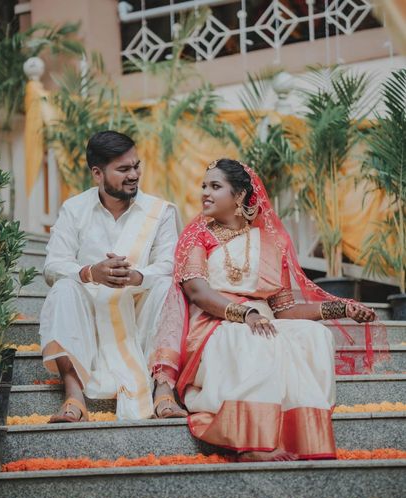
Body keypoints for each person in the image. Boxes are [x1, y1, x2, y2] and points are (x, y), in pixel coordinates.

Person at [151, 159, 379, 462]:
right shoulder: (197, 235)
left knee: (312, 336)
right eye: (204, 186)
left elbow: (284, 309)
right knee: (253, 339)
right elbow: (197, 292)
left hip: (264, 320)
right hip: (215, 324)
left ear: (240, 195)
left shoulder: (272, 242)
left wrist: (342, 308)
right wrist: (245, 314)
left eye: (215, 186)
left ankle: (303, 438)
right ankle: (252, 443)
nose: (205, 193)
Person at [40, 130, 186, 422]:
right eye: (123, 169)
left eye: (136, 166)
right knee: (63, 289)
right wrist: (90, 272)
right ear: (97, 173)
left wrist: (136, 277)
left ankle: (163, 390)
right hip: (90, 316)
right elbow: (53, 265)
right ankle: (74, 396)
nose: (134, 174)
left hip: (139, 311)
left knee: (170, 286)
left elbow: (169, 265)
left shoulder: (160, 212)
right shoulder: (74, 209)